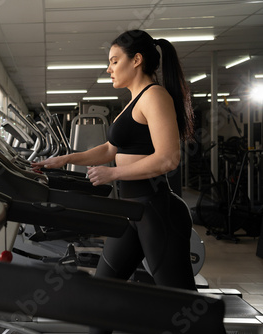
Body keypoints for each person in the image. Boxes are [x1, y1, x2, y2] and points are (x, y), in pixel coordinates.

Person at [32, 29, 197, 333]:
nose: (108, 68)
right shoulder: (132, 101)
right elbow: (109, 149)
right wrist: (66, 159)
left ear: (136, 60)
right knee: (101, 297)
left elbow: (168, 158)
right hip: (133, 212)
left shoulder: (155, 96)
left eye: (113, 61)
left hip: (157, 211)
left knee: (185, 308)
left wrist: (113, 173)